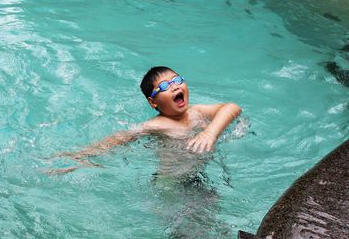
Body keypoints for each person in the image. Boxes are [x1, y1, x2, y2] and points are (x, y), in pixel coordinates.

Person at [55, 66, 241, 173]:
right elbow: (119, 138)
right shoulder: (156, 125)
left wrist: (210, 133)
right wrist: (80, 157)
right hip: (172, 183)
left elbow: (232, 108)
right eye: (165, 86)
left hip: (198, 174)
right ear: (153, 102)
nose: (175, 87)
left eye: (177, 80)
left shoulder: (196, 111)